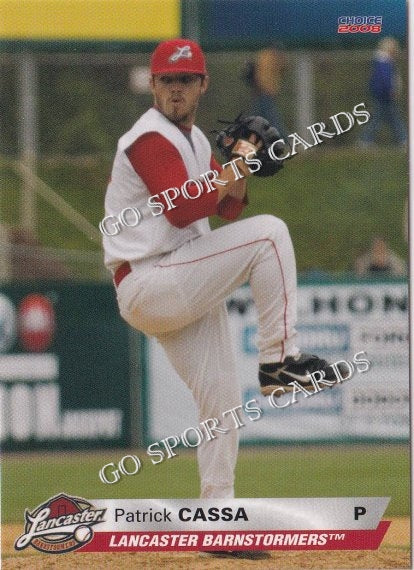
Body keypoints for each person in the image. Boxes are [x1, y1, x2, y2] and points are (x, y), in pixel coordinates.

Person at [102, 38, 341, 560]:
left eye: (185, 81)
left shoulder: (192, 143)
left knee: (224, 405)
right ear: (154, 84)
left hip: (178, 279)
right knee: (271, 234)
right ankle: (280, 361)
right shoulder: (147, 137)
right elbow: (184, 210)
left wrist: (242, 164)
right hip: (149, 280)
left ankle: (218, 520)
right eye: (166, 80)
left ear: (203, 85)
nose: (175, 90)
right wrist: (236, 167)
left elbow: (226, 209)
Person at [361, 37, 407, 147]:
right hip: (384, 95)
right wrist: (390, 90)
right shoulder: (384, 62)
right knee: (389, 118)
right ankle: (403, 139)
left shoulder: (381, 61)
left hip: (381, 94)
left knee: (388, 118)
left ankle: (366, 140)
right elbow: (386, 78)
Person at [250, 46, 288, 135]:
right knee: (270, 118)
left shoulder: (265, 57)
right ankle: (282, 138)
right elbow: (261, 76)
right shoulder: (266, 58)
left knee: (260, 118)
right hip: (265, 92)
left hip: (264, 92)